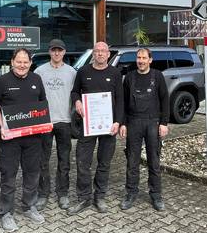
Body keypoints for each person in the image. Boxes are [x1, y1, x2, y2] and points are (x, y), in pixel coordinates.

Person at [0, 48, 49, 231]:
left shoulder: (36, 79)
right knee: (9, 174)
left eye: (26, 62)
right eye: (19, 61)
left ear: (30, 63)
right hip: (10, 138)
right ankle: (6, 213)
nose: (22, 65)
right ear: (12, 61)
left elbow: (42, 105)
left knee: (32, 173)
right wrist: (2, 125)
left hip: (33, 138)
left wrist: (45, 123)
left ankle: (28, 206)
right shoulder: (2, 81)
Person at [68, 41, 124, 214]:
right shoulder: (83, 72)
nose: (100, 54)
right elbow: (75, 91)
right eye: (97, 51)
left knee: (104, 163)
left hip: (109, 127)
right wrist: (77, 101)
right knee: (83, 162)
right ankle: (84, 198)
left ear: (108, 54)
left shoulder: (115, 73)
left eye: (103, 51)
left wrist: (118, 122)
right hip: (88, 125)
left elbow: (120, 100)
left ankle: (99, 197)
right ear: (93, 53)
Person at [119, 48, 169, 211]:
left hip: (152, 122)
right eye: (138, 57)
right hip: (133, 122)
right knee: (132, 161)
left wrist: (164, 123)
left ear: (150, 60)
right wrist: (123, 123)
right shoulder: (130, 77)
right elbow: (123, 103)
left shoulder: (158, 76)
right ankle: (131, 193)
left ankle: (156, 195)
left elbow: (165, 100)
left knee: (154, 161)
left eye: (144, 58)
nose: (140, 60)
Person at [34, 39, 77, 210]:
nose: (57, 53)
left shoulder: (72, 72)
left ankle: (63, 193)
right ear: (50, 52)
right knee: (42, 160)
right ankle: (43, 193)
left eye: (59, 50)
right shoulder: (39, 71)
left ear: (64, 52)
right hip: (45, 121)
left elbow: (76, 95)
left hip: (64, 121)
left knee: (64, 159)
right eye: (53, 50)